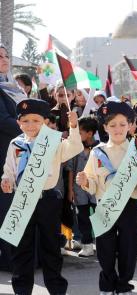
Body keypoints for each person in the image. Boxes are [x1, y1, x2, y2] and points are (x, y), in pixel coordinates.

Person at [1, 99, 83, 295]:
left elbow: (74, 147)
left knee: (50, 247)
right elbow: (9, 170)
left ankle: (56, 288)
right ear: (19, 122)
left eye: (36, 120)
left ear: (45, 121)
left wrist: (73, 126)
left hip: (48, 201)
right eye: (25, 121)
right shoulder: (16, 144)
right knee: (21, 248)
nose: (30, 125)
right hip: (22, 200)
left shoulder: (53, 141)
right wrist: (6, 181)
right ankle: (21, 289)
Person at [76, 101, 137, 294]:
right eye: (112, 125)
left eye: (122, 124)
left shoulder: (136, 150)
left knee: (130, 247)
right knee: (105, 248)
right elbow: (93, 184)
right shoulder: (97, 152)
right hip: (105, 206)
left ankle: (124, 283)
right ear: (104, 127)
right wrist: (85, 181)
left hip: (128, 206)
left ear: (130, 125)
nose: (118, 129)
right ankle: (107, 284)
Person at [0, 43, 24, 271]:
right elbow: (3, 120)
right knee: (6, 207)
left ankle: (21, 256)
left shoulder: (12, 87)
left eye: (6, 55)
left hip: (20, 156)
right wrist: (29, 128)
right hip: (4, 157)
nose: (4, 59)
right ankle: (9, 258)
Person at [67, 116, 99, 257]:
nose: (77, 135)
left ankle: (103, 243)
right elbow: (70, 170)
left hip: (96, 189)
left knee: (100, 216)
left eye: (80, 132)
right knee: (83, 217)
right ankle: (87, 245)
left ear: (90, 133)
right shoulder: (76, 148)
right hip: (79, 189)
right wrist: (70, 189)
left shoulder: (100, 148)